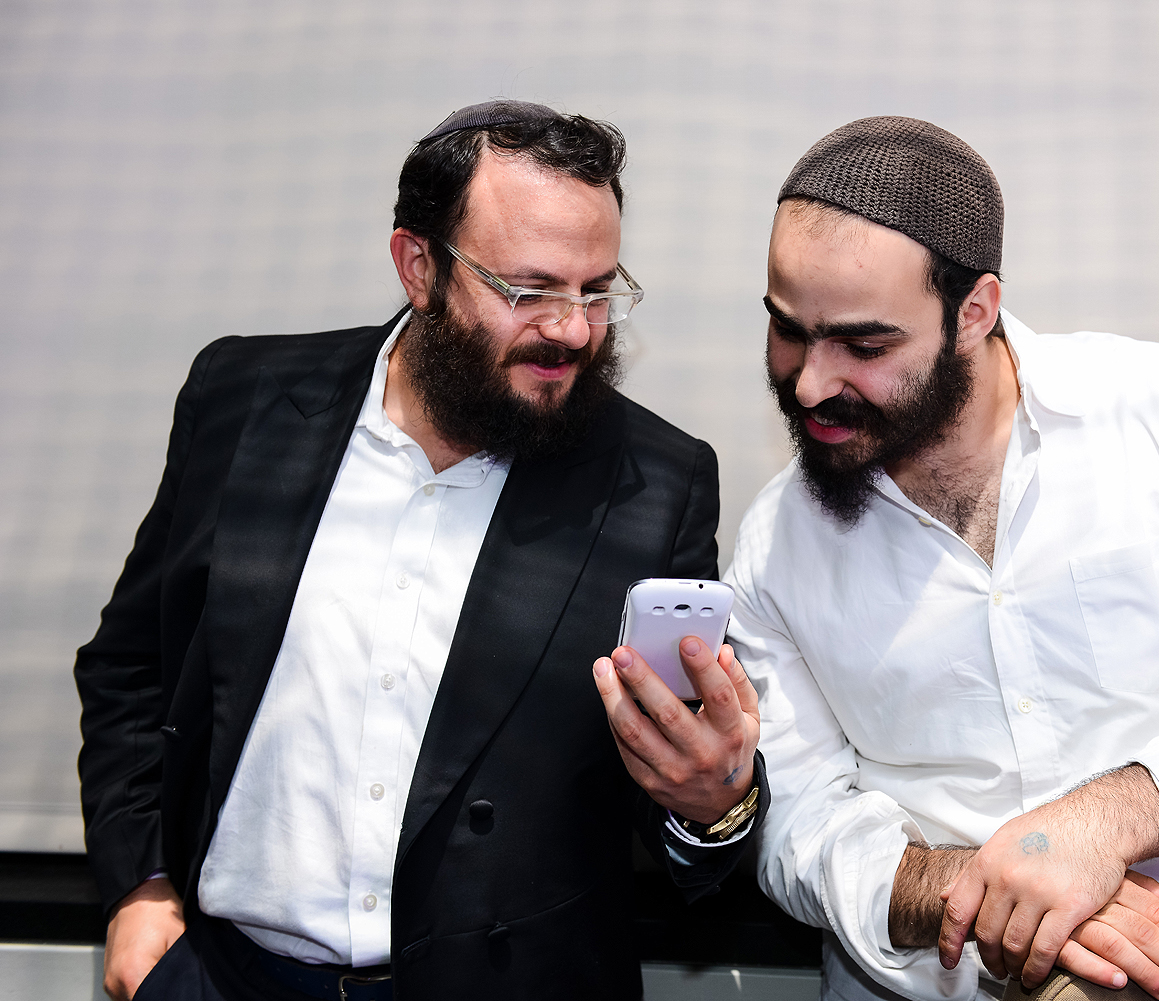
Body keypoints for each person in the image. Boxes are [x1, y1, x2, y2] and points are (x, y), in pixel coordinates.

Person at [74, 99, 764, 1001]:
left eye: (597, 290)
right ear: (419, 266)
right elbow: (132, 668)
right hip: (223, 979)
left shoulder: (653, 482)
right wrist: (140, 885)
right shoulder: (244, 403)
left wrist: (714, 801)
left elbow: (680, 802)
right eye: (529, 290)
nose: (572, 329)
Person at [726, 116, 1159, 1001]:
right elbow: (797, 822)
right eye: (787, 329)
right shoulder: (775, 544)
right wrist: (989, 888)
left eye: (864, 346)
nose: (808, 382)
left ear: (975, 311)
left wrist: (1095, 826)